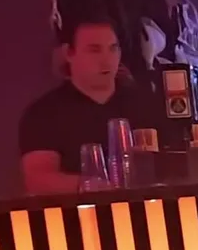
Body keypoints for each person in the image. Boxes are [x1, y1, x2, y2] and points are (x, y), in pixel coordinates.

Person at [18, 17, 157, 194]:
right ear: (69, 53)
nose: (107, 61)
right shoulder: (44, 114)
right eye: (94, 50)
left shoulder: (144, 103)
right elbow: (38, 179)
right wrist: (90, 186)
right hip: (78, 210)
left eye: (113, 48)